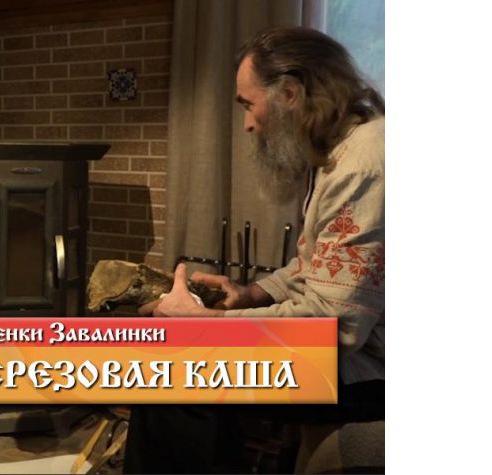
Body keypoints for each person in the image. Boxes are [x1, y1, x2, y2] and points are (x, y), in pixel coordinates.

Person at [125, 27, 385, 473]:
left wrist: (203, 324)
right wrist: (252, 294)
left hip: (369, 374)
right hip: (354, 354)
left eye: (248, 104)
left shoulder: (362, 167)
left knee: (169, 374)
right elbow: (316, 267)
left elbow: (332, 327)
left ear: (289, 93)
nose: (247, 124)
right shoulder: (344, 151)